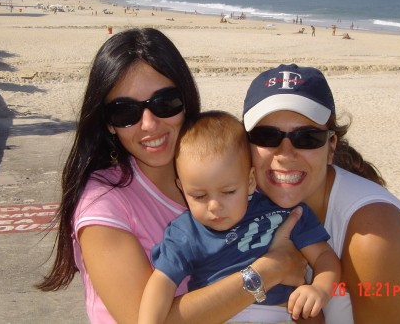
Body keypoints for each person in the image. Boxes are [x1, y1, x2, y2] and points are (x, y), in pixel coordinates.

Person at [35, 29, 308, 324]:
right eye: (125, 112)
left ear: (186, 101)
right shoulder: (103, 205)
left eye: (165, 103)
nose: (149, 124)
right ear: (109, 124)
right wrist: (268, 272)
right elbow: (142, 319)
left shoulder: (225, 171)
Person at [242, 63, 400, 323]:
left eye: (307, 138)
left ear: (331, 147)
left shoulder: (371, 235)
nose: (285, 153)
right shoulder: (241, 204)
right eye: (266, 136)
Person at [139, 111, 341, 323]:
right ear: (182, 187)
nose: (214, 206)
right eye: (199, 195)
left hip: (280, 315)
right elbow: (161, 283)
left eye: (228, 192)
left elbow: (324, 257)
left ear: (250, 180)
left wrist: (320, 289)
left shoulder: (281, 212)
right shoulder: (185, 232)